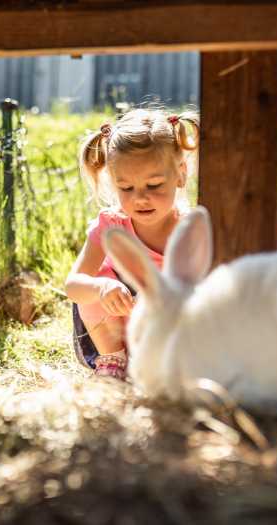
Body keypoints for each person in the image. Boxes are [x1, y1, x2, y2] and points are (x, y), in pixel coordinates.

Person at [65, 107, 200, 380]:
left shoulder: (191, 229)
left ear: (180, 174)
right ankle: (112, 361)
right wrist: (102, 288)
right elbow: (73, 286)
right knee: (97, 278)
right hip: (116, 330)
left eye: (154, 185)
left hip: (169, 334)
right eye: (126, 188)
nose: (140, 198)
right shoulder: (111, 225)